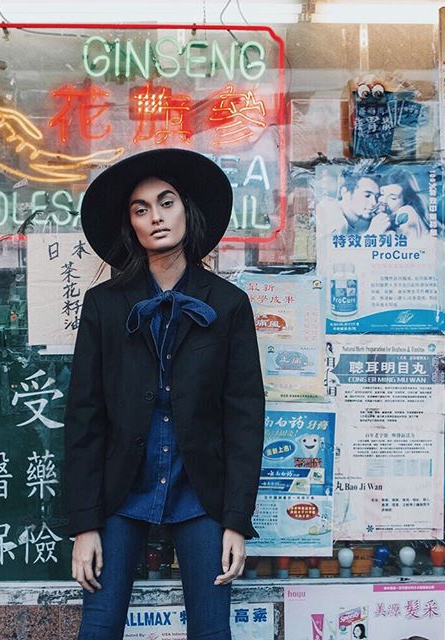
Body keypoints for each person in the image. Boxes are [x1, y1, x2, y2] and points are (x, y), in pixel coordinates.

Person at [64, 148, 265, 640]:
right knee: (99, 627)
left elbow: (244, 418)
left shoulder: (229, 304)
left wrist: (236, 521)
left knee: (212, 629)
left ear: (186, 210)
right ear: (130, 224)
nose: (155, 217)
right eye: (141, 209)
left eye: (166, 202)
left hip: (200, 493)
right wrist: (84, 525)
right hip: (120, 491)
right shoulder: (105, 305)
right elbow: (85, 417)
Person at [317, 168, 380, 235]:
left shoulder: (349, 220)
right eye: (367, 195)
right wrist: (372, 232)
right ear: (345, 193)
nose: (374, 203)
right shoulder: (329, 216)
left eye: (377, 196)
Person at [371, 168, 430, 238]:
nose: (383, 200)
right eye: (382, 194)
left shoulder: (406, 212)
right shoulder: (391, 216)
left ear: (406, 200)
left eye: (393, 198)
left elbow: (409, 243)